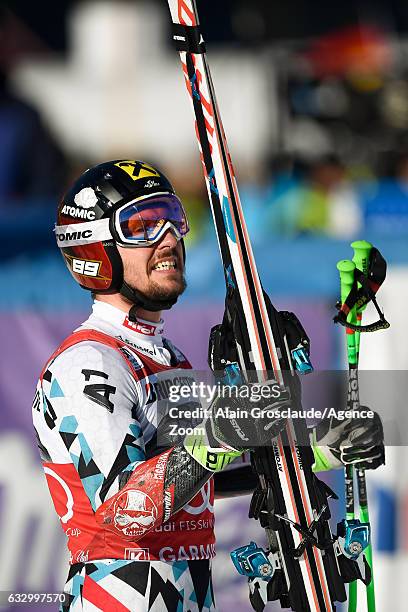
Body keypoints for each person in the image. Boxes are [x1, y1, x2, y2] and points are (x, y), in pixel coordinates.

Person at [33, 160, 385, 612]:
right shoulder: (88, 363)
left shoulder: (167, 357)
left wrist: (318, 453)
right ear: (97, 250)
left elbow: (192, 486)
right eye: (141, 226)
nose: (168, 239)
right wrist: (216, 437)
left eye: (173, 220)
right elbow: (126, 509)